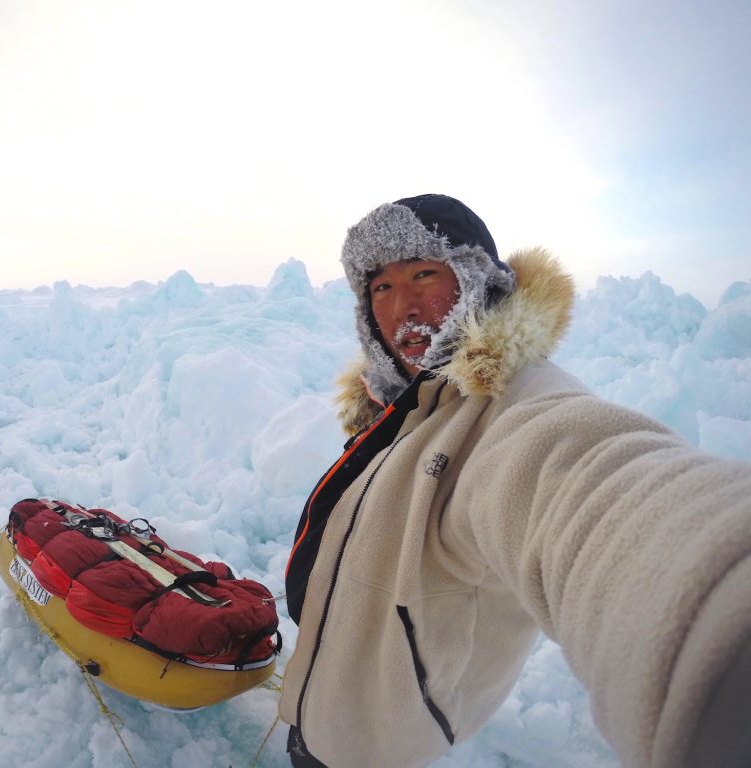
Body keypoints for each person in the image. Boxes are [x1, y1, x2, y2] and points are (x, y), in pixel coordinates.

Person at [279, 194, 751, 768]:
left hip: (369, 742)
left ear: (478, 281)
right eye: (381, 287)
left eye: (424, 274)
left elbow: (584, 481)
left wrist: (716, 613)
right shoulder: (397, 399)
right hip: (326, 697)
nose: (402, 307)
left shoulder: (514, 402)